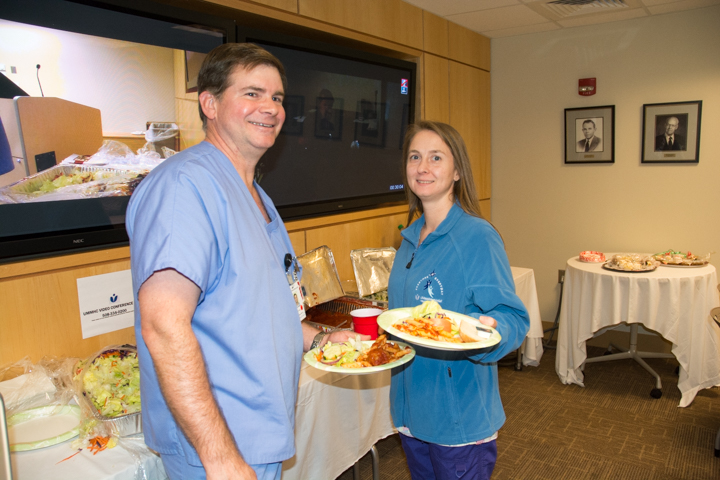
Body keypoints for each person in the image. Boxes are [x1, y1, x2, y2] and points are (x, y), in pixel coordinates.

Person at [126, 43, 361, 480]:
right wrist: (220, 458)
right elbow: (163, 325)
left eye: (277, 97)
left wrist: (318, 340)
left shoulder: (256, 196)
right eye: (252, 93)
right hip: (215, 447)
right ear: (210, 104)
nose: (270, 108)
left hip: (256, 432)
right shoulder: (184, 187)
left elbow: (255, 310)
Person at [388, 121, 530, 480]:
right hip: (411, 411)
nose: (423, 167)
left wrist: (490, 333)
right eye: (415, 157)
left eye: (436, 157)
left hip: (457, 417)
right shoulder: (410, 239)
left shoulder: (477, 237)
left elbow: (513, 318)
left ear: (457, 171)